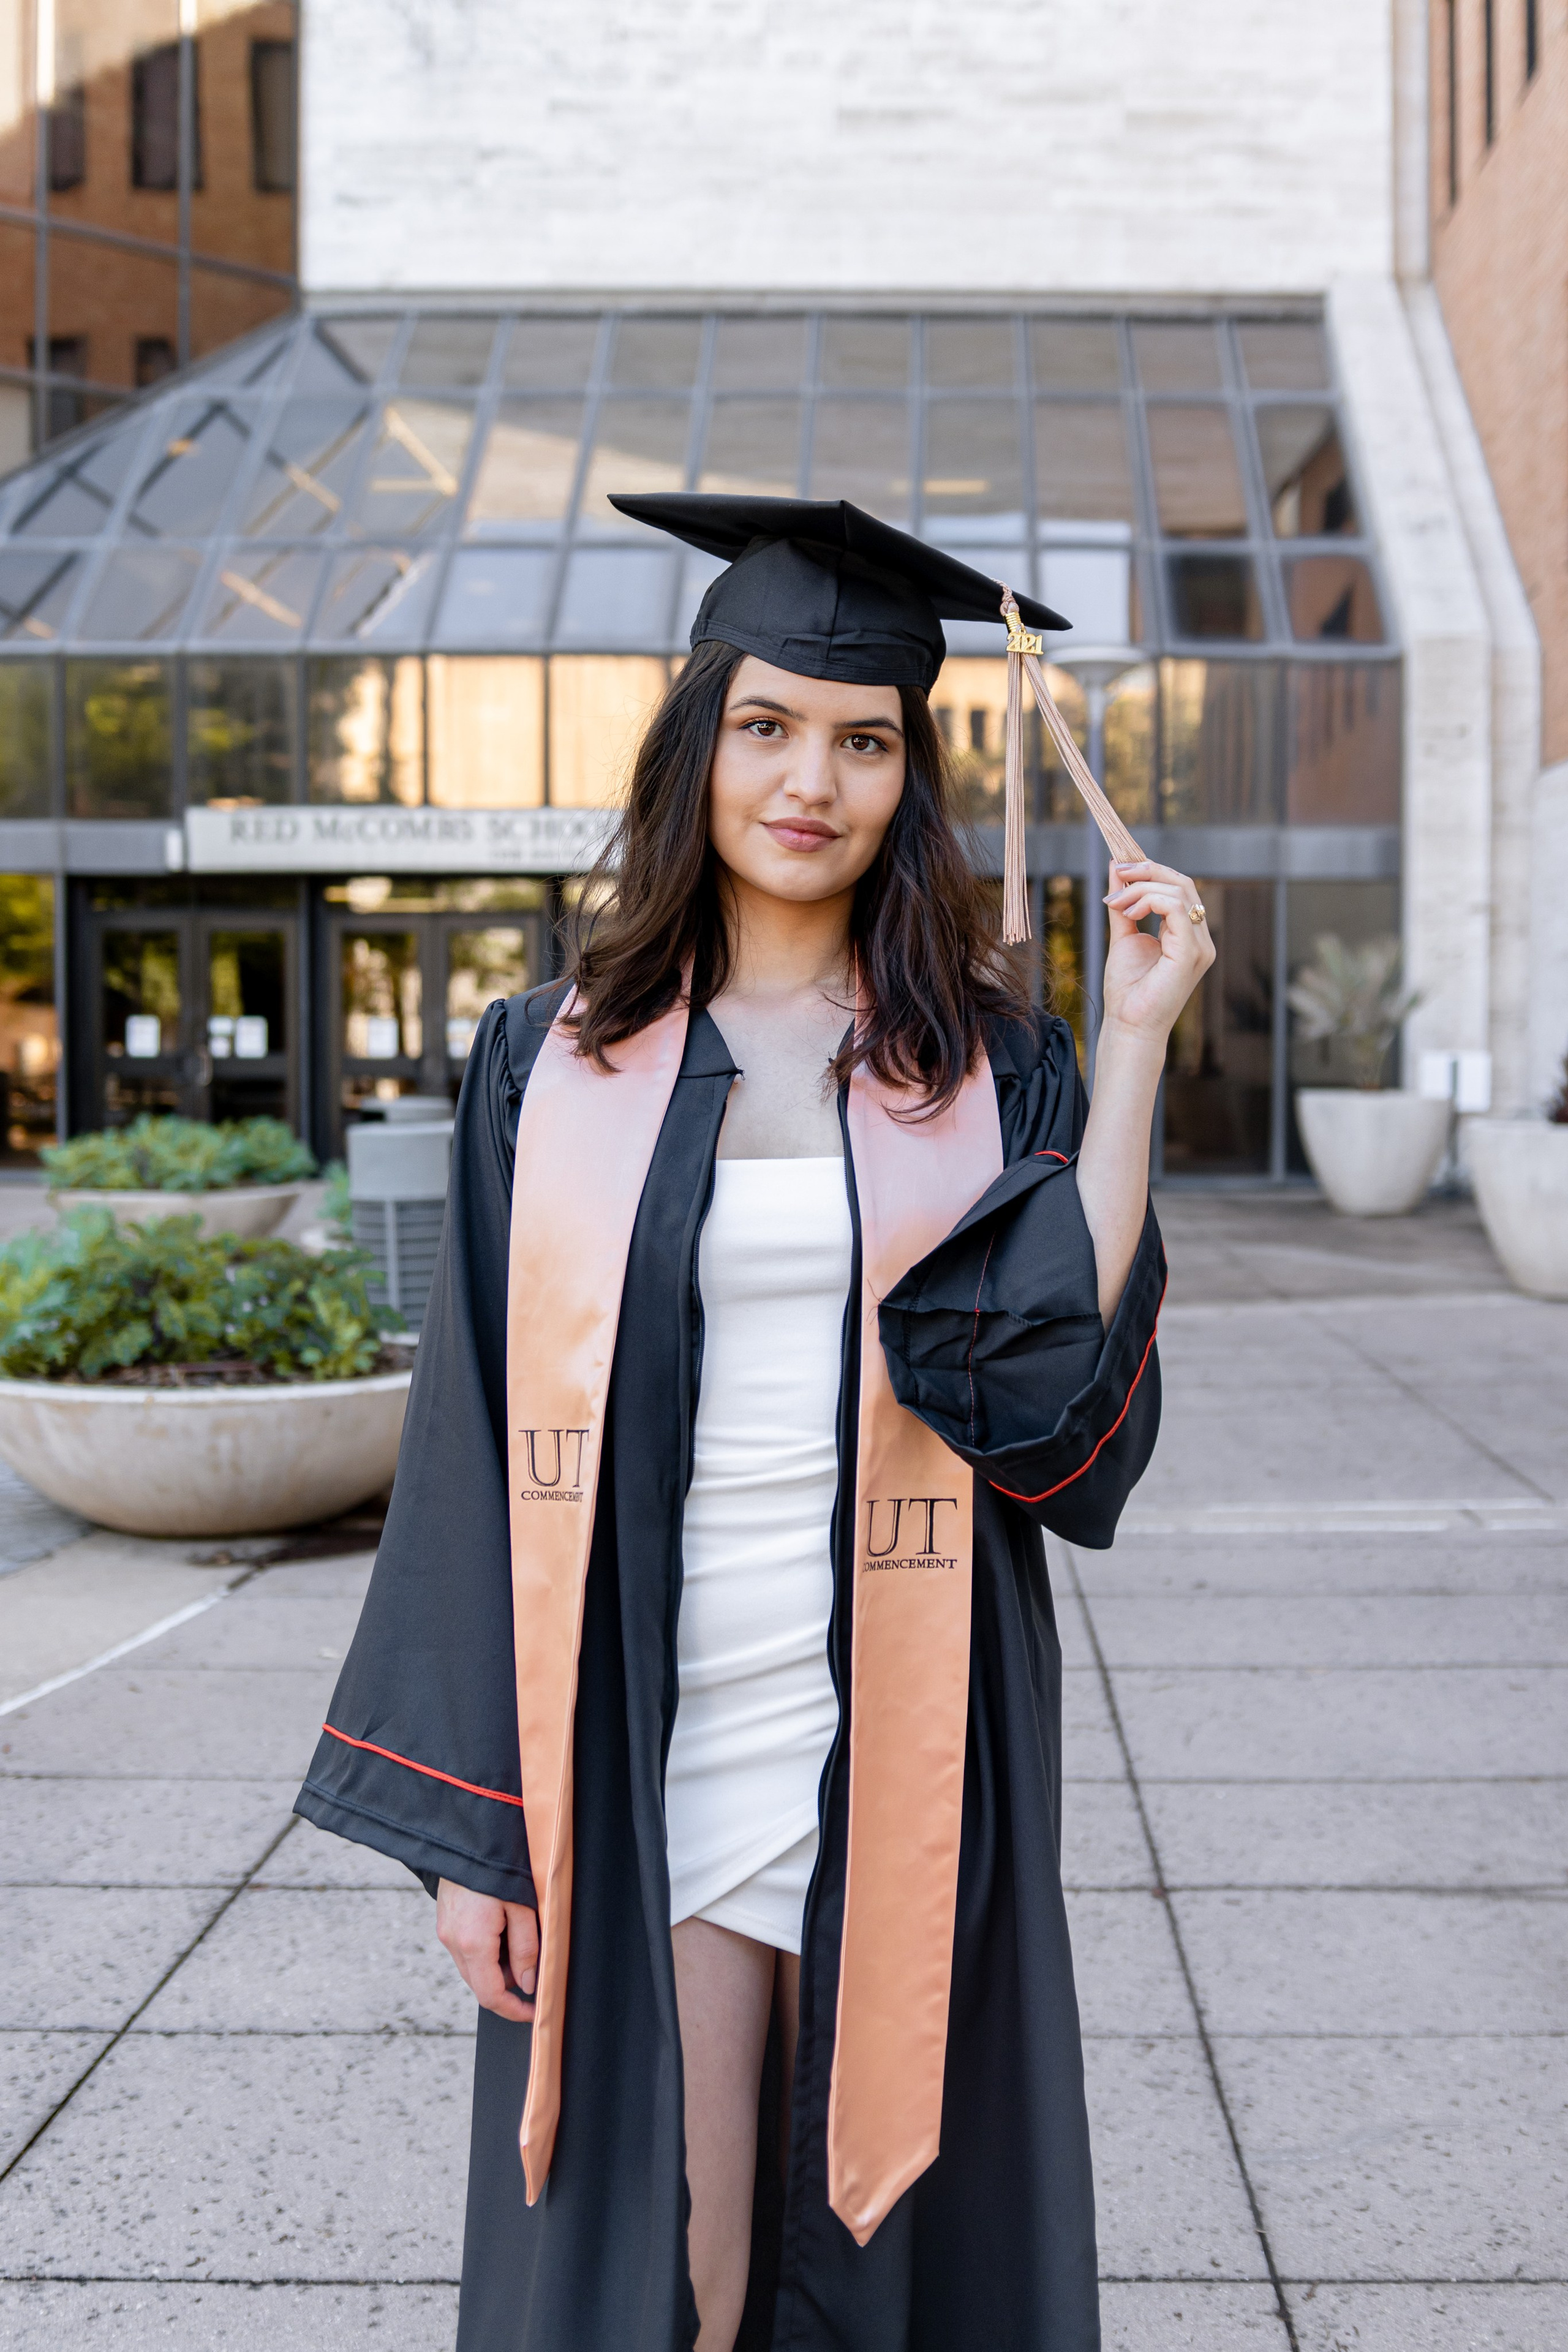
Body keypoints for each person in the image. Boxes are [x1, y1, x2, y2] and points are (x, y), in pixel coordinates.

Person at [296, 496, 1213, 2352]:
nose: (813, 780)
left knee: (892, 2256)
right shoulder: (544, 1063)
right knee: (675, 2268)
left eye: (865, 740)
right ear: (700, 735)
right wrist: (480, 1835)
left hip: (901, 1717)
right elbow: (468, 1437)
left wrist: (1129, 1053)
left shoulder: (991, 1062)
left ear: (911, 776)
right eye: (771, 725)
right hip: (642, 1731)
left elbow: (1050, 1405)